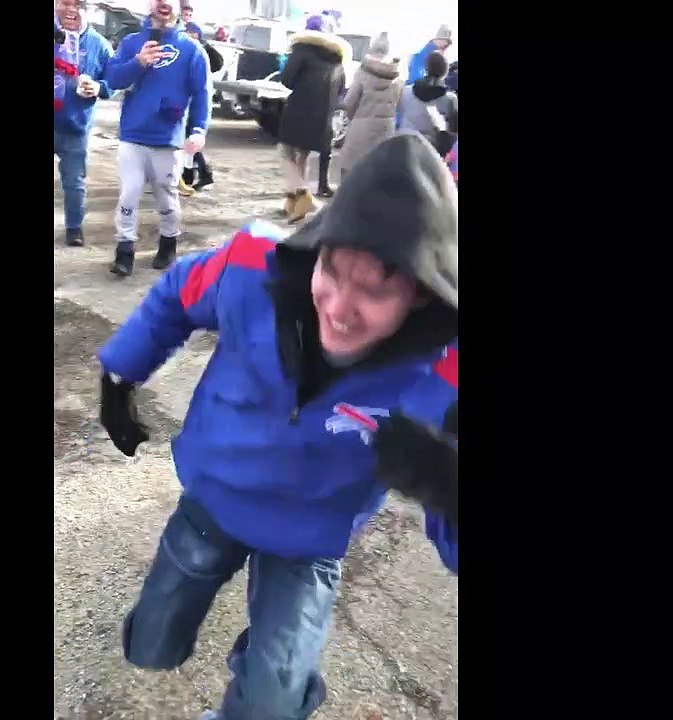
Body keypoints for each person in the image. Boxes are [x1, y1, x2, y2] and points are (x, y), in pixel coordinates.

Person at [97, 133, 459, 720]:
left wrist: (450, 487)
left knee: (274, 694)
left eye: (376, 289)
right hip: (214, 500)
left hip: (310, 534)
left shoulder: (446, 374)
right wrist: (120, 374)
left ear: (421, 295)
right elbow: (175, 295)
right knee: (151, 642)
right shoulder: (249, 265)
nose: (340, 309)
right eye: (333, 272)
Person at [103, 0, 212, 276]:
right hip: (133, 136)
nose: (163, 4)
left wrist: (198, 129)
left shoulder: (192, 49)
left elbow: (202, 93)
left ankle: (168, 242)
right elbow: (112, 78)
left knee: (166, 194)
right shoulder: (131, 42)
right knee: (129, 193)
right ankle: (124, 250)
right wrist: (138, 62)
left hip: (168, 140)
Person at [276, 14, 350, 224]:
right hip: (323, 116)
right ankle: (292, 204)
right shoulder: (337, 57)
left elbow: (287, 80)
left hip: (299, 110)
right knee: (301, 157)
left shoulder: (302, 50)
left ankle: (303, 194)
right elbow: (341, 89)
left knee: (285, 154)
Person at [53, 0, 114, 247]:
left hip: (75, 126)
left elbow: (115, 80)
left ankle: (74, 228)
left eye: (77, 5)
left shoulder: (98, 44)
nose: (70, 9)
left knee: (75, 181)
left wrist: (99, 88)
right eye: (64, 3)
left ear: (85, 9)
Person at [336, 32, 402, 183]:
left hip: (361, 128)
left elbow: (349, 102)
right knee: (377, 173)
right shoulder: (397, 77)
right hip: (386, 131)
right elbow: (399, 104)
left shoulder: (362, 73)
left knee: (351, 172)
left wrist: (353, 117)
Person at [180, 10, 224, 192]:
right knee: (186, 139)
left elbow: (217, 62)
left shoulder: (200, 49)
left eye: (189, 14)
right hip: (183, 98)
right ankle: (194, 175)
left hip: (196, 98)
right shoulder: (179, 41)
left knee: (190, 137)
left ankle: (195, 175)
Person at [397, 52, 458, 157]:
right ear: (445, 71)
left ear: (426, 68)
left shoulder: (405, 91)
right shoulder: (450, 100)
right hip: (431, 152)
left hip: (403, 143)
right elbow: (453, 130)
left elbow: (399, 111)